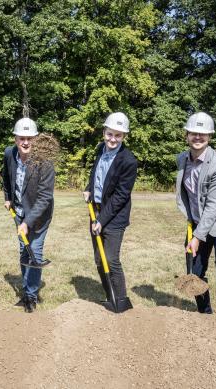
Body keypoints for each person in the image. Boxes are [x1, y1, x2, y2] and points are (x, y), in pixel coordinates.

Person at [176, 112, 216, 315]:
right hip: (198, 223)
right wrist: (191, 222)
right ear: (186, 134)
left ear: (210, 137)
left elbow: (213, 206)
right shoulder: (182, 160)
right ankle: (205, 314)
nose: (198, 137)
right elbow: (186, 193)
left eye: (202, 134)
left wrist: (197, 237)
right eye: (193, 133)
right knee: (195, 271)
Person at [83, 112, 137, 313]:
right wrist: (89, 187)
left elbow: (120, 196)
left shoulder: (128, 161)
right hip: (94, 211)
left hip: (114, 216)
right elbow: (95, 173)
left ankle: (121, 299)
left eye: (118, 135)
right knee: (99, 258)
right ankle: (109, 296)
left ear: (124, 136)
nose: (112, 139)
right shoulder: (99, 149)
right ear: (104, 132)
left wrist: (101, 220)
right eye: (109, 134)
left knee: (111, 258)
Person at [2, 117, 55, 313]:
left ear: (36, 139)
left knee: (35, 251)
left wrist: (28, 222)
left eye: (29, 138)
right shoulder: (10, 154)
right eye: (21, 138)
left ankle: (31, 296)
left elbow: (44, 197)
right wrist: (8, 196)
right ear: (15, 138)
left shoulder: (45, 163)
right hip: (19, 212)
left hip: (39, 216)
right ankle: (26, 291)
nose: (25, 142)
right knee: (24, 252)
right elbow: (6, 176)